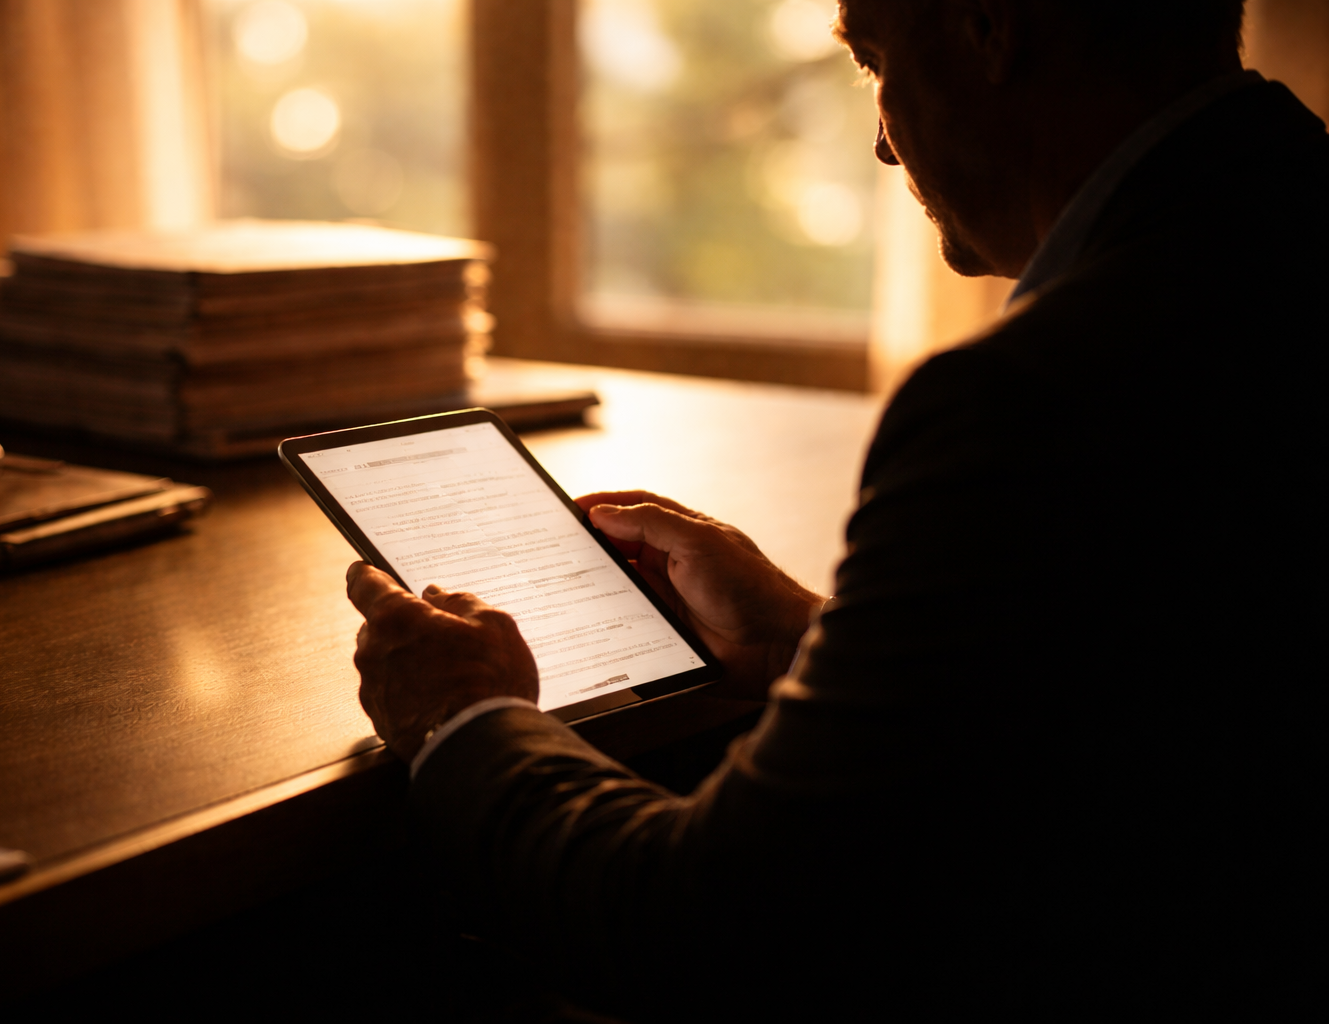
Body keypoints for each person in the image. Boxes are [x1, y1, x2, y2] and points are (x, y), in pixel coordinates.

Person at [346, 0, 1325, 1013]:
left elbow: (708, 928)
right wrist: (812, 644)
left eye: (874, 60)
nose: (882, 143)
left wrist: (464, 714)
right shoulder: (1274, 244)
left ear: (991, 25)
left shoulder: (1035, 398)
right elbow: (1137, 726)